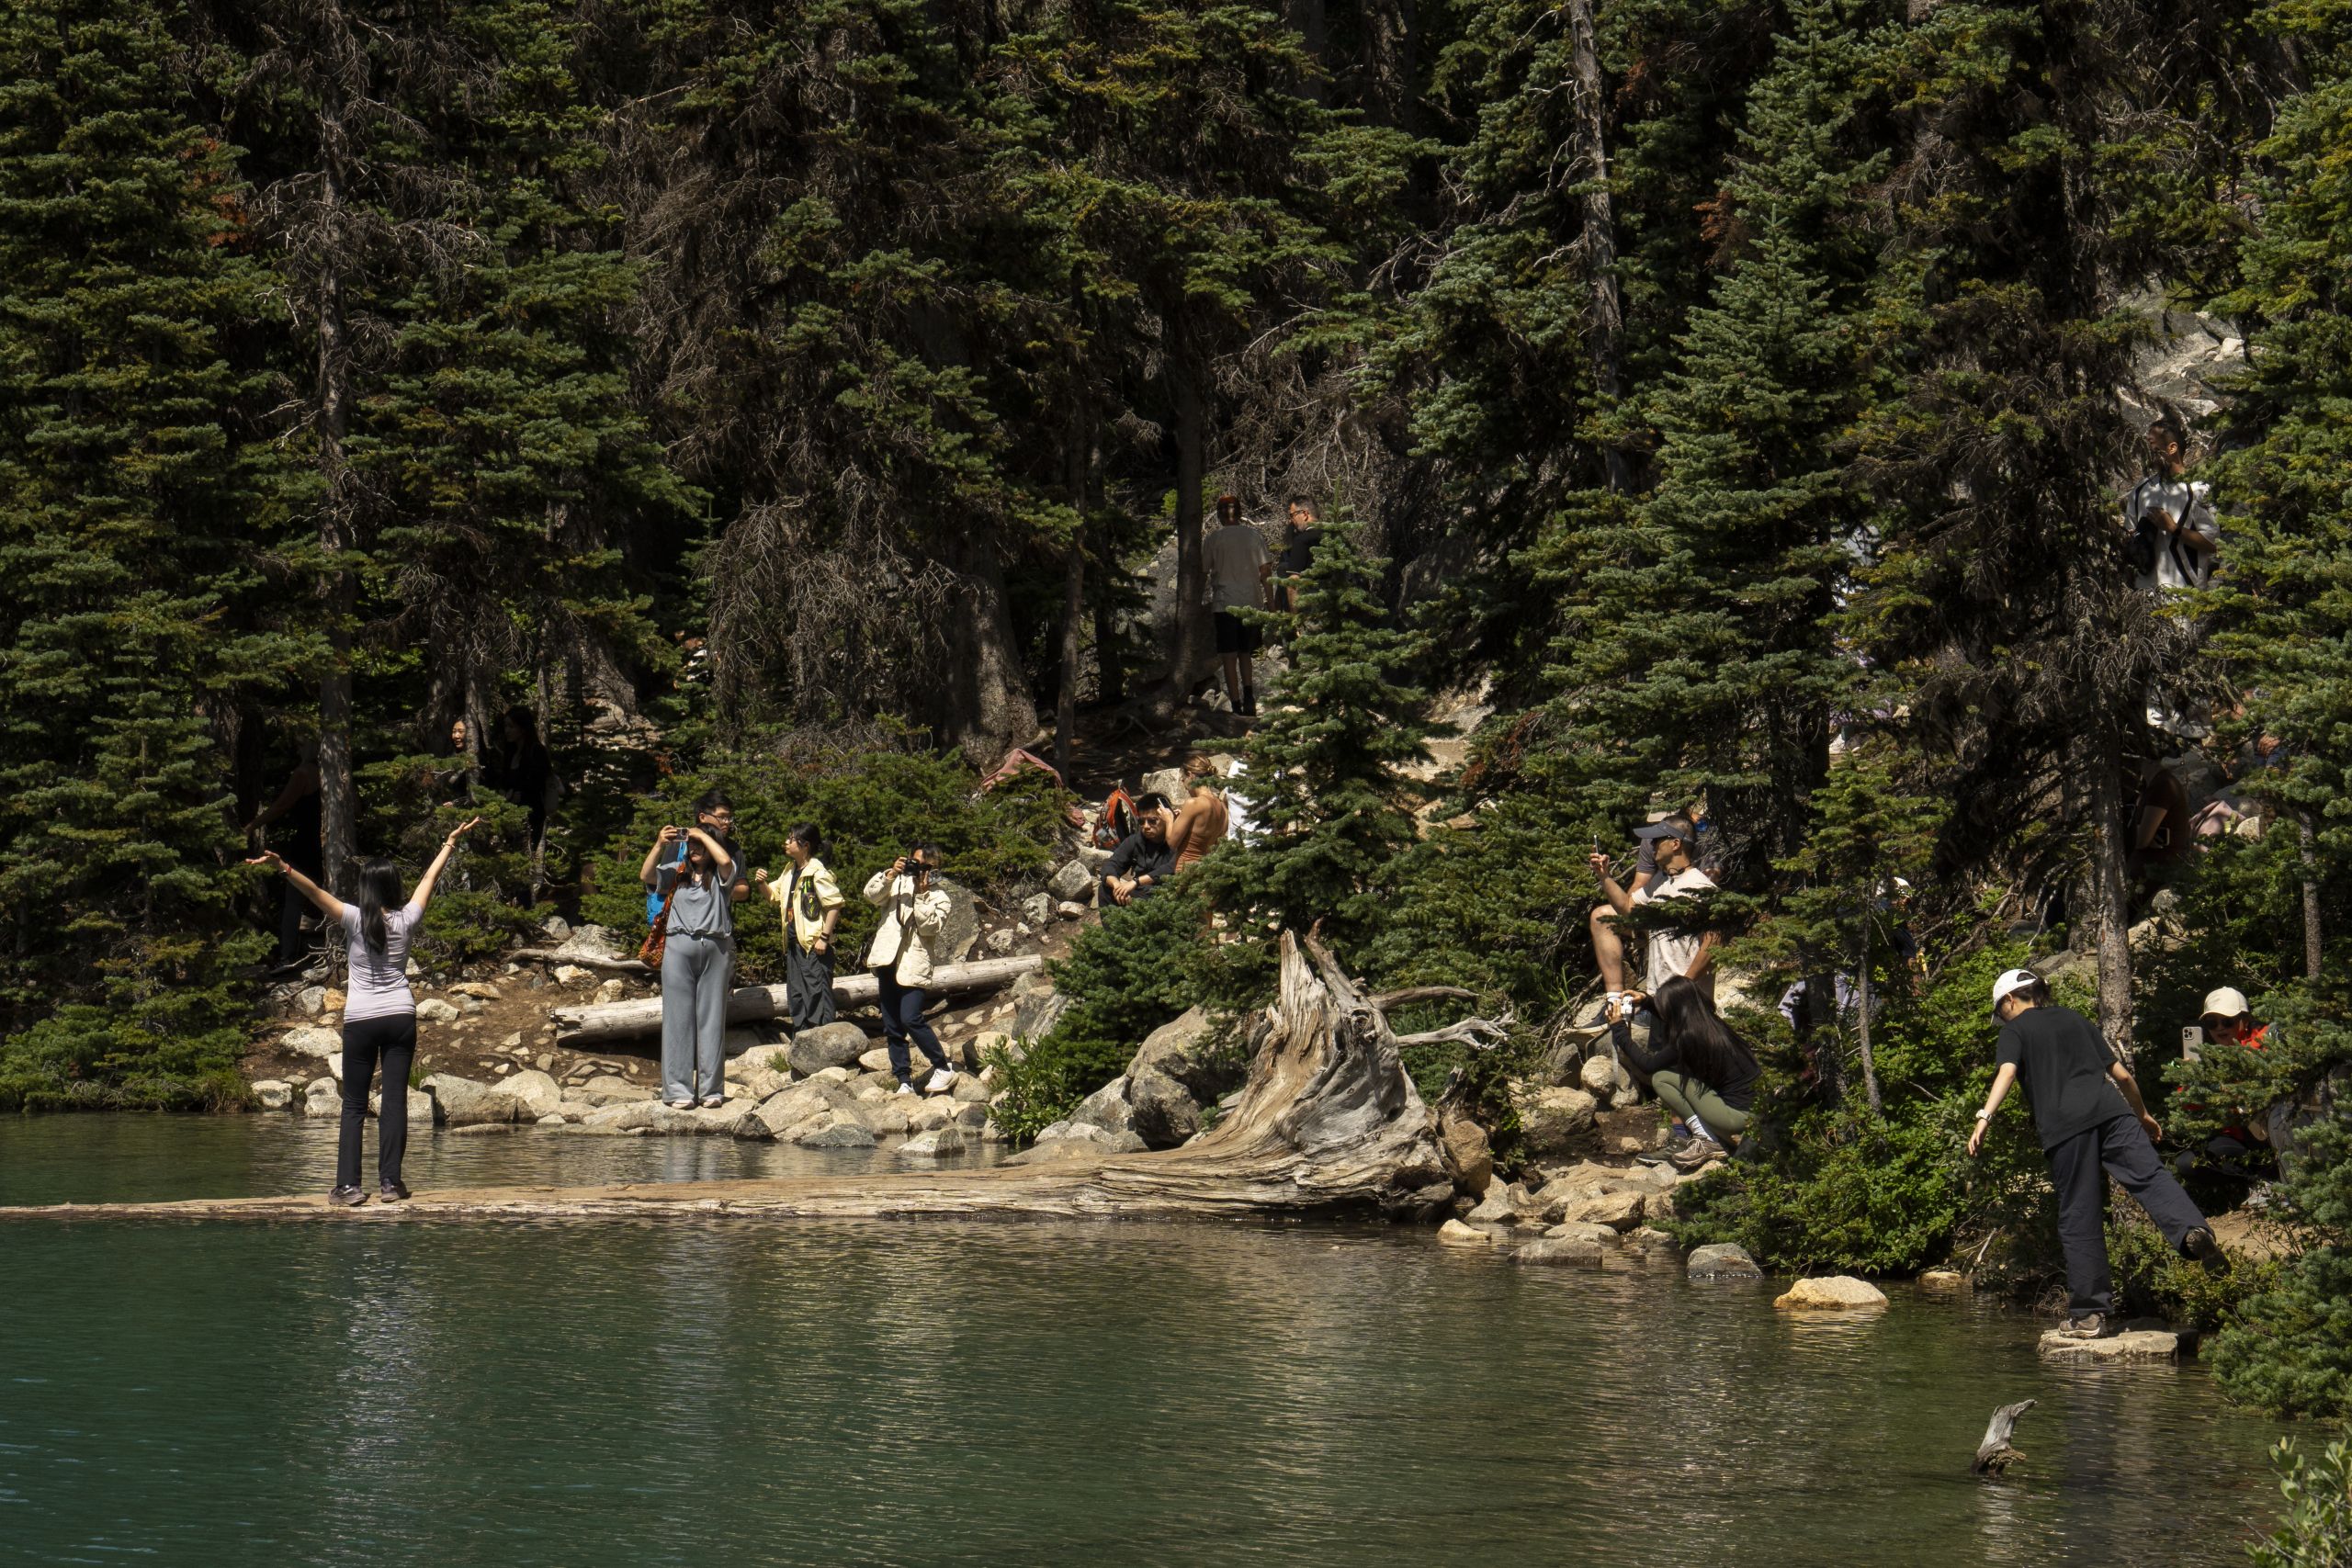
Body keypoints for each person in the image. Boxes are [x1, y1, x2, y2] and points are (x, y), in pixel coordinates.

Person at [1967, 969, 2225, 1339]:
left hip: (2066, 1127)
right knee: (2150, 1177)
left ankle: (2089, 1316)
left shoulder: (2015, 1030)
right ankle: (2191, 1229)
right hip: (2113, 1113)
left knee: (2079, 1213)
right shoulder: (2075, 1018)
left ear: (2010, 1001)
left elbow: (2007, 1071)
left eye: (2001, 1011)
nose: (2002, 1018)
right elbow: (2121, 1076)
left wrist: (1984, 1118)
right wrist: (2143, 1115)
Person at [249, 816, 481, 1205]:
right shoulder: (407, 919)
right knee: (393, 1100)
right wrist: (449, 843)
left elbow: (314, 891)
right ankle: (391, 1183)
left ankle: (348, 1187)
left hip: (361, 1019)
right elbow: (428, 880)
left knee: (355, 1103)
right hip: (400, 1016)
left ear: (366, 888)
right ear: (393, 887)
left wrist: (282, 867)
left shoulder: (354, 918)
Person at [640, 818, 741, 1110]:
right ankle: (678, 1090)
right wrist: (660, 844)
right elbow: (645, 875)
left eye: (699, 844)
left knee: (712, 1019)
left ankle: (711, 1090)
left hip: (715, 947)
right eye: (691, 844)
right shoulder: (678, 873)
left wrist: (702, 834)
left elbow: (723, 859)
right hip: (679, 947)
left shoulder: (724, 875)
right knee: (678, 1019)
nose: (694, 848)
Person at [1612, 977, 1761, 1170]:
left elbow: (1647, 1065)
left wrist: (1618, 1029)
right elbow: (1674, 1013)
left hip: (1735, 1118)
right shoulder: (1709, 1023)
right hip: (1755, 1111)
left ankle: (1707, 1139)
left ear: (1675, 1010)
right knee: (1676, 1074)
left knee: (1662, 1078)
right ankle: (1709, 1136)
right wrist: (1647, 1001)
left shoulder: (1688, 1039)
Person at [1587, 815, 1718, 1004]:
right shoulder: (1661, 881)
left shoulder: (1701, 887)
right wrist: (1604, 876)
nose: (1652, 844)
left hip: (1690, 1005)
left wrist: (1684, 985)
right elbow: (1629, 909)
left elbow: (1713, 943)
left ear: (1675, 844)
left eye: (1657, 840)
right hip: (1661, 1000)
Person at [864, 844, 957, 1095]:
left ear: (934, 869)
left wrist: (922, 894)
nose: (918, 870)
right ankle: (903, 1080)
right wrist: (890, 874)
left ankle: (943, 1067)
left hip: (913, 964)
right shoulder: (896, 884)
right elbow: (871, 896)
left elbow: (929, 928)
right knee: (892, 1025)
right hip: (887, 960)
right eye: (914, 863)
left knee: (910, 1018)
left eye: (924, 866)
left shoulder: (940, 897)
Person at [2174, 986, 2275, 1179]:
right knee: (2188, 1164)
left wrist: (2218, 1087)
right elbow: (2188, 1105)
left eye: (2227, 1021)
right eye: (2212, 1023)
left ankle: (2273, 1179)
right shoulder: (2208, 1056)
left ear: (2244, 1020)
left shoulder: (2262, 1041)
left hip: (2271, 1130)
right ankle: (2259, 1182)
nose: (2220, 1028)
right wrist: (2190, 1081)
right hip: (2239, 1136)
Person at [754, 824, 845, 1032]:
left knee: (817, 991)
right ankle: (802, 1036)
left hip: (814, 944)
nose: (786, 842)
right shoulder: (790, 871)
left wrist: (824, 937)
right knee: (796, 992)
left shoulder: (817, 872)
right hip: (795, 943)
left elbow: (834, 905)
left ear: (805, 845)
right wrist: (761, 883)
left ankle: (824, 1039)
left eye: (791, 839)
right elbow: (773, 896)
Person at [246, 743, 324, 972]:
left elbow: (281, 805)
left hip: (307, 844)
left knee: (294, 900)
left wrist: (252, 826)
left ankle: (287, 956)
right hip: (329, 844)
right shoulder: (336, 774)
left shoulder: (303, 774)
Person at [2125, 417, 2219, 594]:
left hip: (2185, 599)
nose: (2146, 452)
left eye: (2151, 445)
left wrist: (2173, 528)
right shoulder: (2140, 490)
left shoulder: (2198, 490)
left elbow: (2213, 543)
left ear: (2172, 448)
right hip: (2144, 598)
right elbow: (2129, 536)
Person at [1201, 494, 1274, 716]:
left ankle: (1235, 705)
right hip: (1250, 601)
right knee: (1245, 653)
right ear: (1240, 512)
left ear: (1220, 514)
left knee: (1229, 656)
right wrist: (1270, 602)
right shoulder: (1253, 536)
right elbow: (1265, 571)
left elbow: (1203, 572)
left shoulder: (1213, 540)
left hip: (1225, 604)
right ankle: (1249, 696)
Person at [645, 791, 749, 922]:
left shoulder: (733, 849)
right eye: (722, 817)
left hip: (715, 925)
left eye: (729, 817)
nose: (727, 822)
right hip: (679, 925)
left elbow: (743, 888)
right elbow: (660, 881)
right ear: (702, 817)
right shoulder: (680, 844)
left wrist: (722, 891)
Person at [482, 706, 555, 846]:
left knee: (525, 855)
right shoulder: (511, 753)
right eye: (505, 726)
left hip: (531, 816)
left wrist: (521, 794)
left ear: (523, 728)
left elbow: (538, 783)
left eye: (511, 726)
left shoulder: (536, 751)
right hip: (510, 815)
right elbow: (505, 781)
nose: (507, 730)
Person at [1165, 756, 1229, 872]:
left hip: (1187, 869)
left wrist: (1168, 819)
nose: (1182, 781)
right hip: (1207, 870)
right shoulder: (1223, 807)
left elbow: (1171, 843)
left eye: (1183, 778)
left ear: (1191, 775)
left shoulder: (1193, 804)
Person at [1102, 807, 1175, 906]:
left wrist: (1136, 882)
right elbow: (1112, 863)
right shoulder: (1135, 840)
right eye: (1141, 821)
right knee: (1105, 889)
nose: (1146, 826)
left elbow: (1171, 868)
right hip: (1141, 891)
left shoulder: (1177, 842)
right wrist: (1117, 885)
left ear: (1166, 819)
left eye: (1152, 821)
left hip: (1167, 894)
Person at [1278, 498, 1323, 612]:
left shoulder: (1301, 541)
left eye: (1292, 515)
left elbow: (1293, 582)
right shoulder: (1335, 536)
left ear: (1305, 514)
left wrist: (1296, 618)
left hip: (1312, 611)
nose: (1291, 520)